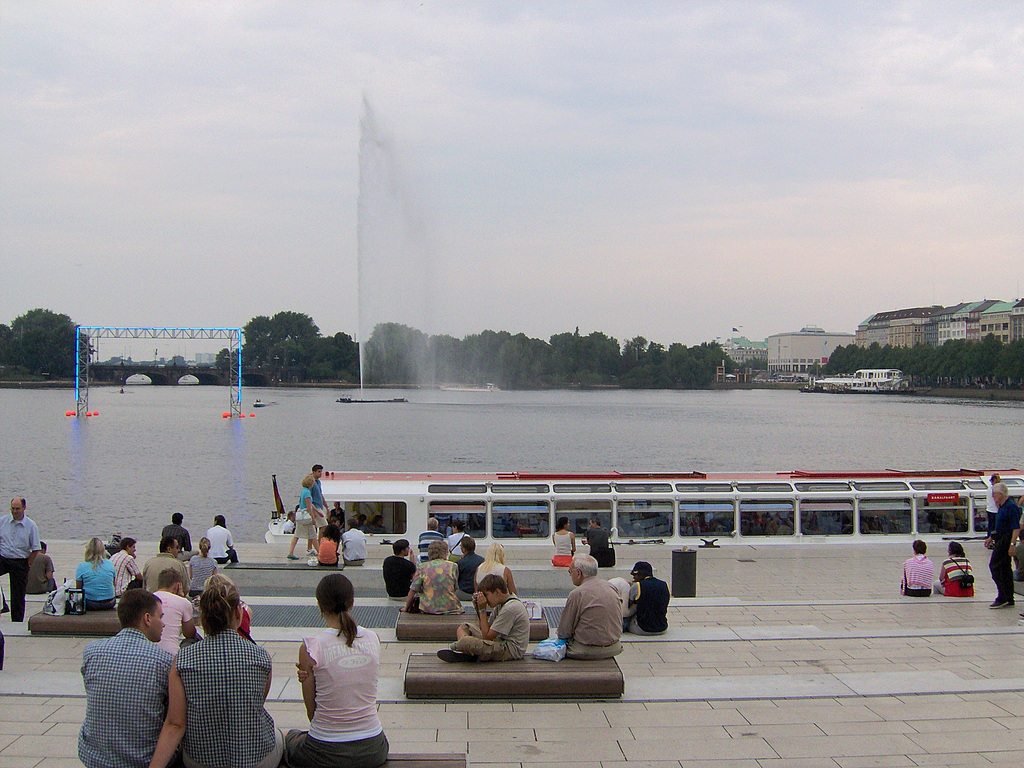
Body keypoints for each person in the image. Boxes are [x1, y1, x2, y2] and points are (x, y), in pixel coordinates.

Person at [148, 576, 283, 768]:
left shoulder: (184, 659)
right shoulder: (261, 657)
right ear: (238, 613)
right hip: (256, 757)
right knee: (280, 737)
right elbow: (254, 706)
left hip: (202, 759)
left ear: (203, 617)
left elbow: (175, 724)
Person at [284, 573, 389, 768]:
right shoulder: (374, 638)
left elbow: (311, 713)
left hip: (325, 750)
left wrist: (309, 678)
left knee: (288, 737)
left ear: (319, 605)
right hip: (373, 747)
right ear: (352, 603)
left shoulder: (311, 647)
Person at [79, 589, 173, 768]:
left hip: (95, 758)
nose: (163, 624)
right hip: (142, 760)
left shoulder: (92, 651)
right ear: (147, 619)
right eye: (160, 617)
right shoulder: (164, 661)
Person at [438, 574, 530, 663]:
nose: (485, 599)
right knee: (464, 627)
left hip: (509, 650)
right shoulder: (501, 605)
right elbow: (485, 629)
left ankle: (466, 650)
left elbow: (487, 637)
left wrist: (483, 610)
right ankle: (469, 652)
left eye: (486, 595)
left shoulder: (510, 608)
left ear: (497, 592)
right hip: (499, 641)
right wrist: (479, 609)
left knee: (466, 642)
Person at [556, 554, 623, 659]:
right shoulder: (611, 587)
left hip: (586, 650)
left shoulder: (577, 594)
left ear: (579, 573)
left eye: (570, 571)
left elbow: (564, 631)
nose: (570, 575)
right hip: (614, 646)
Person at [0, 496, 42, 622]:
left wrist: (28, 564)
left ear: (24, 508)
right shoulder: (3, 521)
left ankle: (17, 620)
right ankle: (2, 603)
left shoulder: (31, 525)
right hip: (3, 558)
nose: (15, 511)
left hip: (20, 561)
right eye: (12, 509)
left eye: (17, 509)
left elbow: (36, 549)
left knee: (17, 594)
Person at [405, 541, 463, 615]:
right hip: (450, 607)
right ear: (445, 553)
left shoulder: (422, 567)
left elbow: (413, 589)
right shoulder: (453, 566)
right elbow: (454, 588)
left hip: (429, 608)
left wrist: (406, 607)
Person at [988, 482, 1021, 609]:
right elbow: (1000, 525)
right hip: (1000, 537)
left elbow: (1015, 527)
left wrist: (1012, 545)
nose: (993, 496)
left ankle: (1002, 596)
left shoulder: (1011, 507)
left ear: (1000, 494)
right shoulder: (1002, 506)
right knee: (1005, 569)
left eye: (994, 494)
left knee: (995, 566)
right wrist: (991, 537)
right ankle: (1008, 597)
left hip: (1006, 539)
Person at [154, 569, 198, 655]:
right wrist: (181, 597)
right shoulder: (183, 602)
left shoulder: (148, 598)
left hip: (150, 650)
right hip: (172, 653)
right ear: (177, 586)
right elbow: (189, 634)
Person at [624, 561, 669, 635]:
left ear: (642, 574)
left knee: (627, 617)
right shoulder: (665, 584)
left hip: (642, 629)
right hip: (662, 628)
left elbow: (628, 606)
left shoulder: (637, 586)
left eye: (635, 574)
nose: (634, 577)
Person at [75, 537, 117, 611]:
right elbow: (113, 583)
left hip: (90, 603)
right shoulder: (110, 564)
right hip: (110, 602)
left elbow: (79, 589)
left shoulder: (82, 566)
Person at [289, 474, 324, 560]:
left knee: (297, 535)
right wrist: (313, 518)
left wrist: (317, 512)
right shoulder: (308, 492)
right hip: (306, 518)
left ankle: (290, 552)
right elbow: (309, 507)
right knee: (313, 535)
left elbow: (308, 504)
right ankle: (320, 554)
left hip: (300, 516)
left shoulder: (303, 490)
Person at [454, 536, 484, 600]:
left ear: (464, 549)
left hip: (463, 592)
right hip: (478, 593)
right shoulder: (482, 560)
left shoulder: (459, 563)